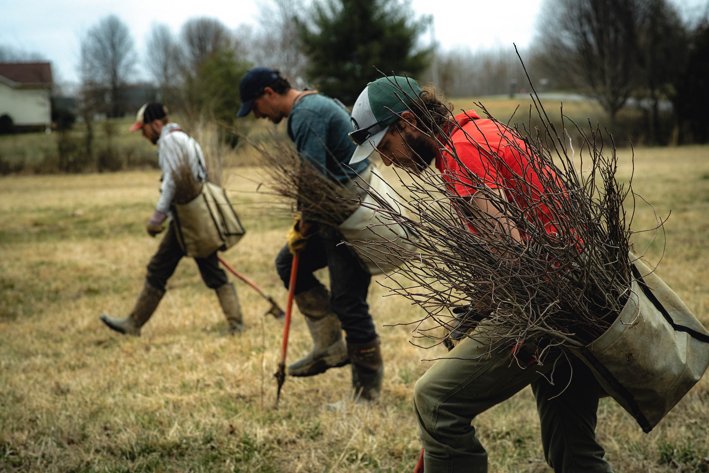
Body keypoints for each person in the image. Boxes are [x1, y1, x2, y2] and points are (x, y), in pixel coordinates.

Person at [348, 77, 613, 472]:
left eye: (385, 146)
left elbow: (516, 256)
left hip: (550, 306)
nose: (388, 161)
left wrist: (523, 328)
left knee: (435, 399)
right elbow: (518, 234)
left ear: (408, 122)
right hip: (582, 294)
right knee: (572, 446)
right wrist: (480, 307)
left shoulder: (462, 155)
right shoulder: (481, 131)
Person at [236, 67, 383, 401]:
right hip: (336, 210)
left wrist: (304, 226)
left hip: (349, 213)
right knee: (290, 264)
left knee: (349, 301)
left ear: (268, 94)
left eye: (255, 107)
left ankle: (367, 393)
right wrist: (303, 225)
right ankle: (329, 346)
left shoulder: (306, 114)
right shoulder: (312, 105)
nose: (258, 116)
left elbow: (313, 181)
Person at [100, 103, 243, 336]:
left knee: (174, 268)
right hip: (190, 216)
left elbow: (172, 182)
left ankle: (134, 324)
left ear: (156, 124)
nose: (143, 135)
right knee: (178, 268)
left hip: (190, 218)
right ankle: (134, 323)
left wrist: (157, 216)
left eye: (143, 129)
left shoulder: (169, 142)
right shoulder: (183, 138)